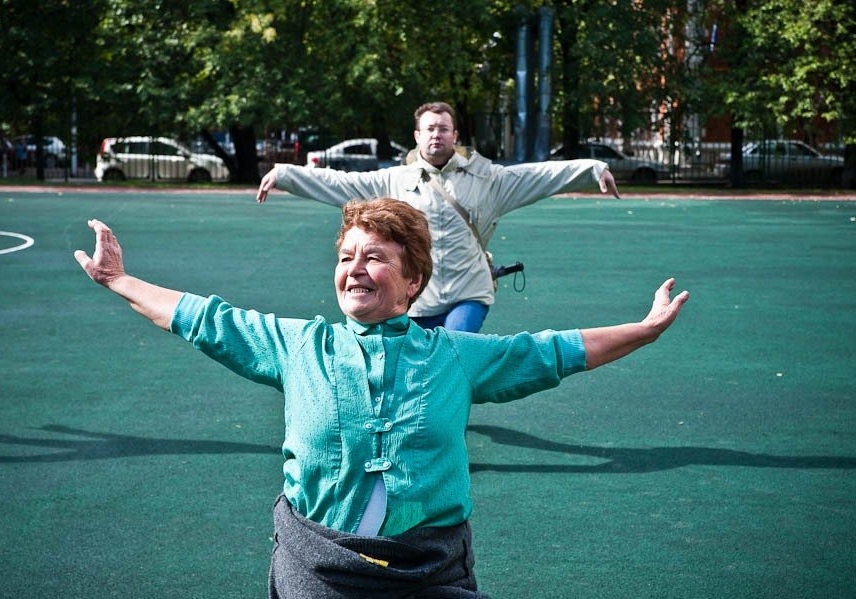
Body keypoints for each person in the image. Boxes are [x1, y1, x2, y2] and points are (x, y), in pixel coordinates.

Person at [75, 198, 688, 598]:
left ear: (414, 280)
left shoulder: (454, 355)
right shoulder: (298, 344)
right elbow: (206, 319)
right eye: (346, 257)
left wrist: (646, 329)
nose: (355, 268)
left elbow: (554, 351)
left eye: (375, 257)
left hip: (431, 570)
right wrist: (117, 279)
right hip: (318, 567)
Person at [256, 101, 621, 332]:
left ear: (455, 135)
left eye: (443, 128)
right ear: (417, 136)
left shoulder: (488, 178)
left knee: (454, 352)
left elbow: (538, 175)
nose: (436, 135)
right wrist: (287, 174)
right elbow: (339, 184)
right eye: (429, 129)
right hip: (416, 295)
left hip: (469, 291)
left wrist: (593, 168)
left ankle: (447, 427)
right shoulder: (392, 180)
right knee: (421, 368)